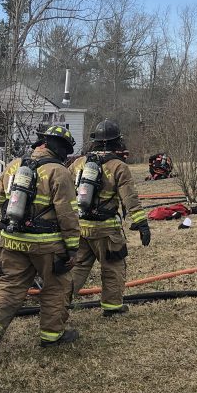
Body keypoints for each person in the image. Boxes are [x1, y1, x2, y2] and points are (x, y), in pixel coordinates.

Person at [0, 124, 80, 361]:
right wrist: (72, 248)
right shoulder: (59, 172)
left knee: (9, 286)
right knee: (56, 287)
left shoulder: (14, 165)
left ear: (41, 143)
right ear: (61, 149)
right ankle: (52, 336)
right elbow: (68, 214)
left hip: (12, 240)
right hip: (47, 245)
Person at [69, 119, 150, 316]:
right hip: (106, 230)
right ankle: (112, 307)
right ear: (116, 141)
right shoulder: (118, 166)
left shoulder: (78, 163)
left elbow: (67, 194)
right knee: (113, 266)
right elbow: (130, 198)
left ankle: (59, 302)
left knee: (78, 267)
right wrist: (142, 224)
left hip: (80, 226)